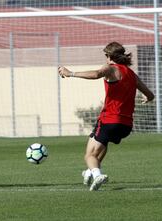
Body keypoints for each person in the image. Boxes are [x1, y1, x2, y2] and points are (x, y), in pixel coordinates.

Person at [58, 42, 154, 191]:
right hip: (126, 124)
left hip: (110, 119)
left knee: (89, 155)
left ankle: (97, 175)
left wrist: (71, 73)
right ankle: (90, 172)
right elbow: (150, 94)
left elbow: (96, 74)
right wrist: (147, 98)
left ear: (109, 56)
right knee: (103, 143)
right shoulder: (131, 74)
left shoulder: (110, 68)